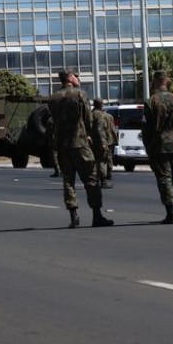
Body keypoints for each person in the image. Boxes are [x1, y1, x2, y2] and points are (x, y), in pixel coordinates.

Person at [48, 69, 113, 228]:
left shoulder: (53, 98)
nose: (78, 78)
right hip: (80, 143)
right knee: (91, 180)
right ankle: (97, 216)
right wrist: (91, 136)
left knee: (68, 181)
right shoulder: (79, 94)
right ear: (70, 78)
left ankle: (74, 216)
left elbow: (53, 121)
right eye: (76, 76)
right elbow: (88, 119)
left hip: (63, 146)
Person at [143, 71, 173, 224]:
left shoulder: (152, 101)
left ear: (157, 81)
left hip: (160, 146)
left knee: (164, 179)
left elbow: (147, 128)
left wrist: (148, 147)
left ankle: (171, 213)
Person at [91, 99, 116, 189]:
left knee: (94, 161)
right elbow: (100, 129)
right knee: (102, 161)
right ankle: (103, 181)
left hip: (92, 142)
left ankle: (95, 180)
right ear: (101, 105)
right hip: (102, 141)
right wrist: (103, 143)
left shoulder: (90, 114)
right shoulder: (102, 115)